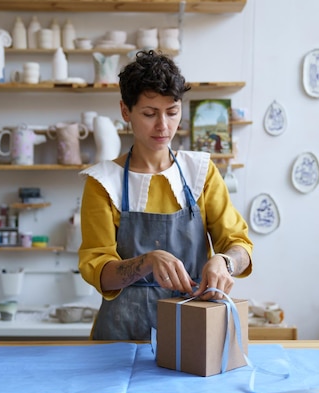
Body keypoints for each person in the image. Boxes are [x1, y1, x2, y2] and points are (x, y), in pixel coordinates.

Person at [78, 50, 253, 341]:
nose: (163, 126)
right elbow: (99, 273)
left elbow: (240, 246)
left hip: (193, 332)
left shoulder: (201, 173)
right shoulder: (103, 183)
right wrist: (147, 261)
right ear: (125, 112)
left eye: (172, 112)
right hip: (121, 338)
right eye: (149, 113)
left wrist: (224, 262)